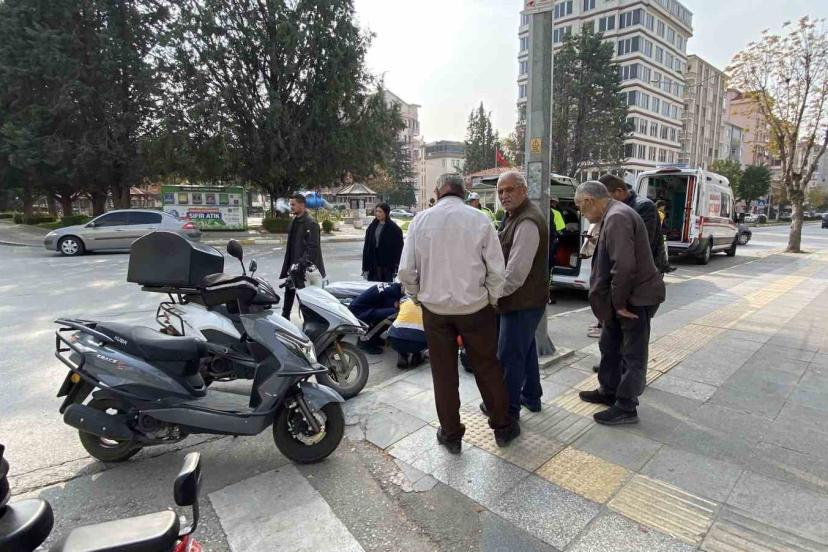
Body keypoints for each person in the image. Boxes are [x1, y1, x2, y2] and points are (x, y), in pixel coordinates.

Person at [399, 173, 519, 453]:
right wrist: (491, 299)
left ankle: (451, 435)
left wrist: (417, 296)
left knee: (443, 374)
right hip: (475, 308)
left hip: (435, 311)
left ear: (438, 191)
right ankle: (503, 428)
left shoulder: (420, 221)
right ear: (464, 192)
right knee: (487, 368)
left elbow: (406, 270)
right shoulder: (480, 220)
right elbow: (497, 269)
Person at [574, 181, 666, 425]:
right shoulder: (613, 214)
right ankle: (609, 391)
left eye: (580, 206)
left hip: (634, 299)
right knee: (610, 346)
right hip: (622, 298)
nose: (581, 213)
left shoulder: (617, 217)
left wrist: (620, 304)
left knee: (632, 354)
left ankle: (626, 406)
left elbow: (623, 266)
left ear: (590, 201)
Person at [486, 171, 549, 420]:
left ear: (524, 190)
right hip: (523, 301)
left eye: (509, 189)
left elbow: (515, 274)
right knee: (526, 349)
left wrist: (491, 295)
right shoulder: (513, 216)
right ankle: (531, 396)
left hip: (520, 302)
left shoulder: (527, 222)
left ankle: (507, 411)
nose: (504, 195)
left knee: (509, 357)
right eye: (500, 191)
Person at [599, 174, 669, 274]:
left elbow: (643, 243)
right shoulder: (614, 208)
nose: (603, 203)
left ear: (618, 191)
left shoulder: (644, 206)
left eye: (606, 198)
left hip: (643, 271)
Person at [279, 193, 326, 319]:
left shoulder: (311, 223)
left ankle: (309, 324)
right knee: (289, 293)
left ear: (302, 205)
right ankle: (285, 319)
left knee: (305, 300)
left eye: (293, 204)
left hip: (304, 268)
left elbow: (313, 248)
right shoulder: (294, 221)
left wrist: (301, 265)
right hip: (293, 266)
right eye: (290, 204)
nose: (291, 207)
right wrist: (290, 266)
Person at [349, 282, 404, 355]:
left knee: (389, 313)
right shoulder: (393, 292)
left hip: (360, 309)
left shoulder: (393, 286)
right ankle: (364, 341)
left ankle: (374, 337)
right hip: (359, 313)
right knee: (393, 314)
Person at [362, 203, 404, 283]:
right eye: (376, 211)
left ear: (386, 213)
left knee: (385, 286)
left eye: (380, 212)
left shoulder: (394, 229)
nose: (377, 214)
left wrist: (397, 266)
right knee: (374, 286)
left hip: (387, 264)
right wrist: (365, 267)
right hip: (373, 263)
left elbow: (399, 249)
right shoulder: (372, 226)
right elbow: (367, 246)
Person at [387, 298, 427, 369]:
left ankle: (402, 355)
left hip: (394, 340)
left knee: (398, 328)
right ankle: (417, 356)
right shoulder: (428, 303)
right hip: (418, 343)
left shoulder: (404, 300)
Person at [580, 222, 603, 338]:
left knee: (600, 294)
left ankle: (604, 327)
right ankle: (601, 323)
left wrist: (593, 239)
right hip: (598, 258)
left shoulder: (611, 219)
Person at [548, 196, 566, 267]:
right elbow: (561, 230)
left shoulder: (539, 210)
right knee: (551, 256)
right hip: (552, 239)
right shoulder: (557, 213)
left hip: (540, 238)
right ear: (555, 203)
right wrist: (560, 235)